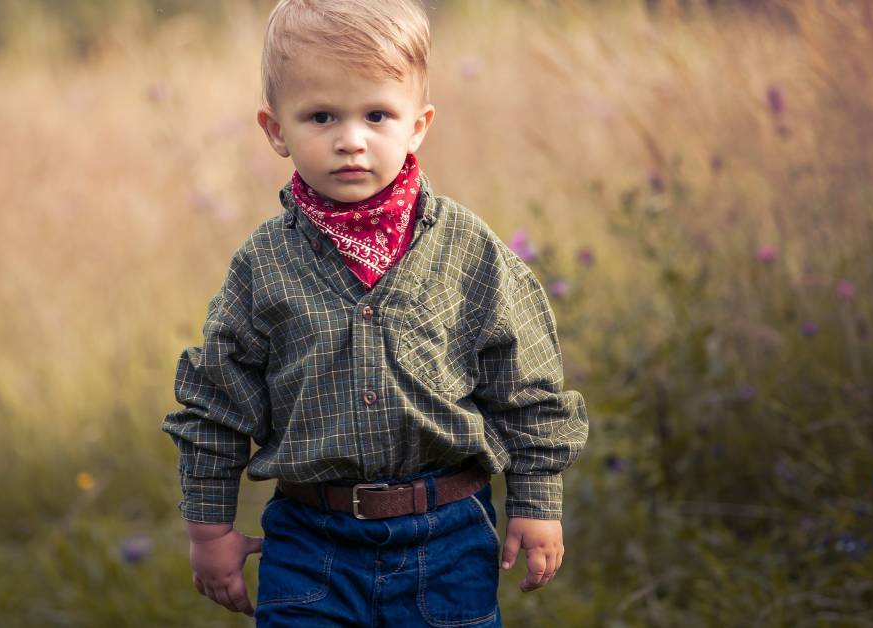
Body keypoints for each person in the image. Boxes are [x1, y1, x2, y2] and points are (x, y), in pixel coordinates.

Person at [161, 0, 590, 624]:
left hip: (446, 538)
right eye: (321, 116)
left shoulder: (468, 251)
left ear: (418, 124)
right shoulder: (264, 264)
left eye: (377, 114)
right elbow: (216, 403)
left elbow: (525, 385)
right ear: (275, 128)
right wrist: (209, 532)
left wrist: (538, 500)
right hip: (310, 543)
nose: (350, 140)